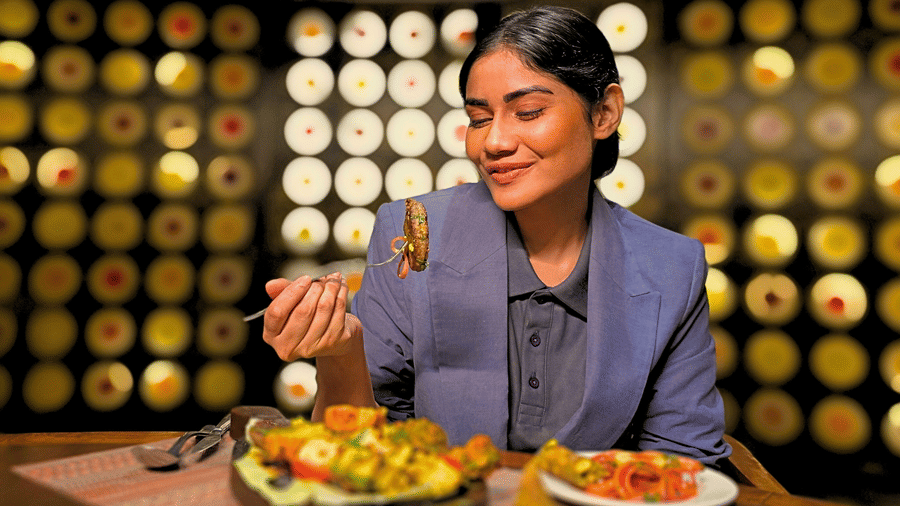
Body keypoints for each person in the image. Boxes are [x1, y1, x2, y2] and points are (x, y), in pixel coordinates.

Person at [262, 5, 731, 465]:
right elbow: (355, 450)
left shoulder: (672, 266)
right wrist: (341, 352)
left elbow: (683, 461)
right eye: (479, 118)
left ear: (605, 113)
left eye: (527, 112)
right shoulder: (412, 233)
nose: (494, 142)